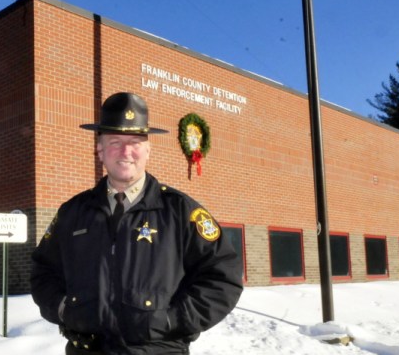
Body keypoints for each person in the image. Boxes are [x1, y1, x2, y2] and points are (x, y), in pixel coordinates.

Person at [31, 92, 243, 354]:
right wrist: (64, 308)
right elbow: (43, 271)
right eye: (115, 141)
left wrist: (172, 320)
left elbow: (223, 276)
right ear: (100, 150)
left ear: (148, 149)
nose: (126, 152)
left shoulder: (180, 211)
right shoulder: (73, 212)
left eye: (135, 142)